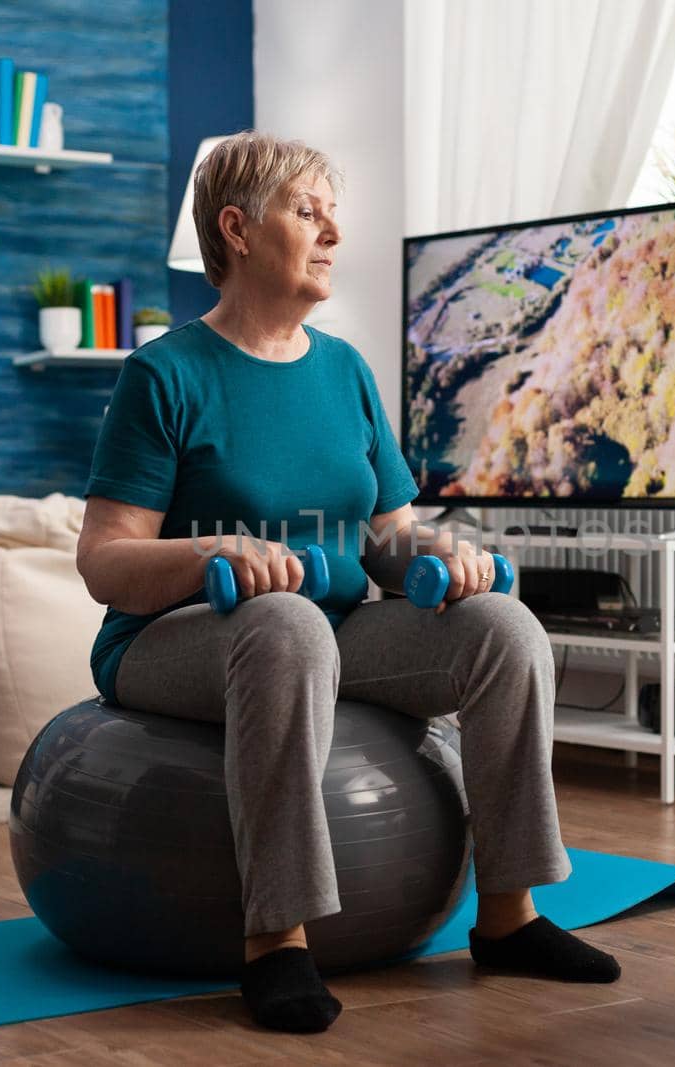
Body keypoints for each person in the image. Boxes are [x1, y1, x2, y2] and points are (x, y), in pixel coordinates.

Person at [74, 130, 618, 1035]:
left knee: (503, 629)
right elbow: (103, 561)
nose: (331, 234)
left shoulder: (345, 371)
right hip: (175, 640)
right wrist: (214, 553)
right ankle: (277, 940)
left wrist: (448, 558)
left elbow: (385, 538)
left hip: (332, 630)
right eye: (307, 211)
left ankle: (510, 916)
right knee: (286, 624)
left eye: (335, 216)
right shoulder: (162, 375)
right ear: (238, 229)